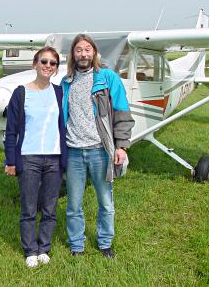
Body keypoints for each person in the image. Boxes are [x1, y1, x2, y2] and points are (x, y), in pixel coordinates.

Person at [60, 34, 135, 259]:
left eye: (87, 49)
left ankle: (104, 243)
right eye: (78, 50)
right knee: (74, 204)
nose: (83, 54)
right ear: (73, 55)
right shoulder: (67, 82)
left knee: (106, 202)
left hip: (100, 151)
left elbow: (122, 112)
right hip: (73, 151)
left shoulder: (108, 78)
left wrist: (121, 146)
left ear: (94, 53)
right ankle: (76, 245)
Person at [4, 46, 67, 268]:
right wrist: (10, 161)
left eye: (52, 63)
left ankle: (44, 247)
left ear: (56, 68)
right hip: (28, 157)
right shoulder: (21, 93)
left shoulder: (59, 93)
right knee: (29, 207)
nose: (48, 66)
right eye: (44, 62)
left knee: (50, 207)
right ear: (35, 64)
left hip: (54, 158)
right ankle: (30, 250)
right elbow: (11, 130)